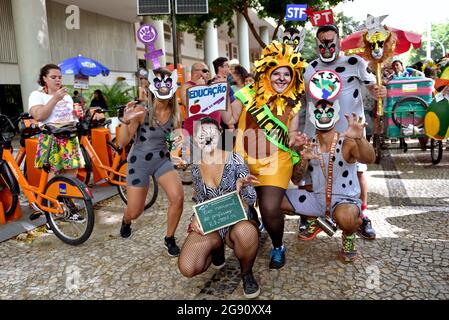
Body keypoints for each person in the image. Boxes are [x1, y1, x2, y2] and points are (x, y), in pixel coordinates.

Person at [221, 41, 308, 269]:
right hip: (243, 161)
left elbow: (290, 135)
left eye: (286, 74)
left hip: (276, 162)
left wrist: (296, 141)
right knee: (244, 211)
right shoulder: (247, 94)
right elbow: (229, 119)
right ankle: (252, 226)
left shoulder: (293, 103)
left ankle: (278, 246)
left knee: (270, 208)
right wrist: (219, 96)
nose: (281, 78)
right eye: (276, 73)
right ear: (266, 73)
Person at [300, 24, 387, 241]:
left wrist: (380, 91)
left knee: (357, 170)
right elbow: (300, 99)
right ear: (317, 43)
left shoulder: (355, 62)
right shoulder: (309, 68)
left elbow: (372, 88)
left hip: (350, 129)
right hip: (317, 129)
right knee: (313, 170)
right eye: (322, 42)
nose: (327, 46)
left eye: (331, 41)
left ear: (339, 41)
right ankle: (314, 216)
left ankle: (361, 215)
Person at [178, 116, 261, 299]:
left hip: (236, 222)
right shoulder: (196, 167)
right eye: (202, 133)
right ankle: (216, 249)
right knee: (187, 266)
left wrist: (244, 185)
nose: (206, 137)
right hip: (213, 223)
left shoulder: (234, 159)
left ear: (220, 134)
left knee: (247, 233)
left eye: (211, 133)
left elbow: (251, 199)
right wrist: (195, 219)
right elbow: (200, 199)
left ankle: (246, 273)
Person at [283, 99, 375, 262]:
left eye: (328, 111)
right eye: (319, 112)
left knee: (346, 217)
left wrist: (360, 139)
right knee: (274, 201)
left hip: (344, 201)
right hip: (317, 199)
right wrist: (304, 159)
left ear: (336, 113)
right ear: (312, 115)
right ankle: (314, 220)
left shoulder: (347, 141)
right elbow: (296, 180)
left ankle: (349, 235)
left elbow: (369, 158)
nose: (324, 115)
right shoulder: (309, 144)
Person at [118, 68, 184, 257]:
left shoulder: (176, 113)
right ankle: (126, 219)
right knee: (135, 211)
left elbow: (175, 138)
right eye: (159, 84)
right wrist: (124, 121)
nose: (163, 88)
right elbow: (122, 143)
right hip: (138, 162)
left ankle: (169, 238)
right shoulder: (141, 112)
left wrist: (177, 152)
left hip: (161, 161)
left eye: (167, 84)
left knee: (178, 197)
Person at [28, 64, 85, 177]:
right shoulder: (37, 95)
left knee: (71, 176)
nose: (57, 80)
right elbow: (39, 116)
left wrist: (76, 115)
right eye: (53, 77)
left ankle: (67, 195)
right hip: (51, 139)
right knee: (54, 175)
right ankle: (53, 195)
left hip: (70, 137)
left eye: (59, 77)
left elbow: (72, 118)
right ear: (44, 78)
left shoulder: (67, 96)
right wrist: (55, 98)